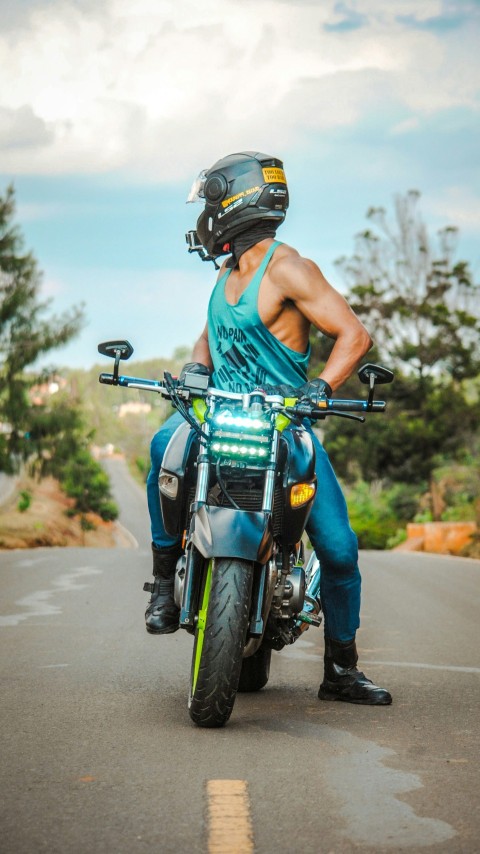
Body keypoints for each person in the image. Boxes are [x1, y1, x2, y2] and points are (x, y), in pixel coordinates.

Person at [145, 151, 392, 706]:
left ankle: (341, 669)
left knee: (339, 549)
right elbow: (212, 337)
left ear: (233, 204)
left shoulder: (289, 269)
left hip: (285, 424)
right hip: (220, 416)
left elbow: (353, 336)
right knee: (163, 442)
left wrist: (322, 388)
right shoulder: (229, 274)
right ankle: (165, 582)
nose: (204, 217)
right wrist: (193, 370)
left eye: (210, 204)